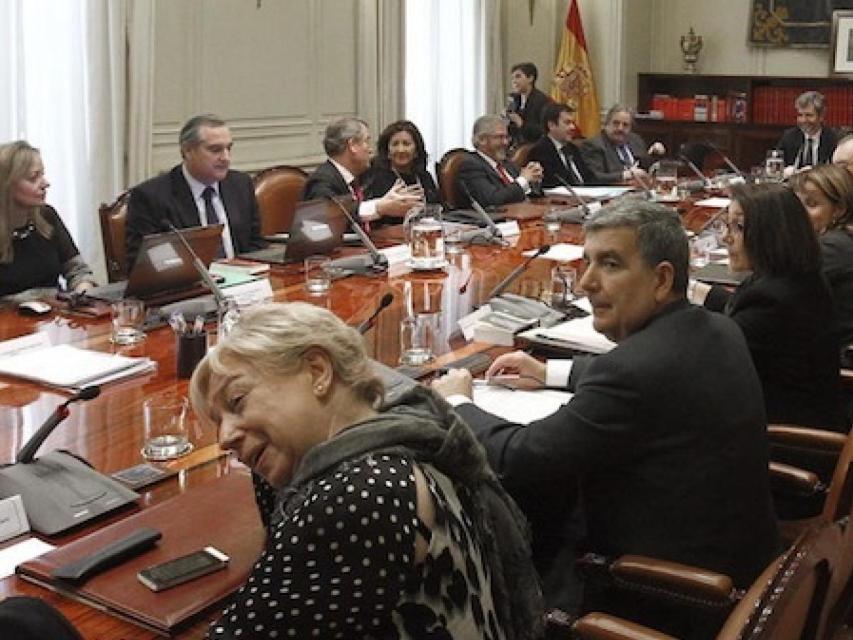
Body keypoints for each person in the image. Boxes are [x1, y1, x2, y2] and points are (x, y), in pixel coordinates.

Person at [433, 199, 780, 637]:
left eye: (610, 264)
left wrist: (459, 405)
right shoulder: (716, 328)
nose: (587, 282)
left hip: (672, 599)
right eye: (588, 262)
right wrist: (550, 371)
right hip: (742, 567)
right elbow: (648, 375)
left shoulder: (635, 370)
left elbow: (522, 460)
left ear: (662, 279)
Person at [189, 302, 544, 640]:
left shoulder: (358, 494)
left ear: (318, 371)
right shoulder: (410, 430)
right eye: (218, 422)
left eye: (237, 402)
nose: (224, 439)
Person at [689, 183, 842, 429]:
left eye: (738, 227)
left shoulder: (772, 300)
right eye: (726, 225)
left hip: (783, 443)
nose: (726, 237)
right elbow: (740, 314)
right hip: (798, 417)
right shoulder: (795, 276)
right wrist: (695, 291)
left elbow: (709, 362)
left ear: (769, 233)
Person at [125, 114, 266, 270]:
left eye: (229, 148)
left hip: (243, 282)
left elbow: (255, 243)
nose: (226, 158)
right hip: (188, 286)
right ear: (187, 151)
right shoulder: (151, 197)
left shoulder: (240, 184)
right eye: (215, 150)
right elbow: (145, 264)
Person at [0, 140, 95, 299]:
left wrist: (82, 292)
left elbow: (78, 271)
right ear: (7, 185)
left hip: (54, 317)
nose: (45, 184)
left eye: (42, 174)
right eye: (33, 177)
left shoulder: (47, 216)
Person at [302, 116, 422, 221]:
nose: (370, 150)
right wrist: (380, 207)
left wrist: (385, 202)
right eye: (367, 141)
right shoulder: (322, 181)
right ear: (353, 145)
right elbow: (333, 219)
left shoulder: (354, 179)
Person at [792, 164, 853, 352]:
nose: (799, 213)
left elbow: (776, 286)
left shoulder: (833, 248)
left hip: (837, 362)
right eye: (796, 204)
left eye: (811, 204)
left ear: (839, 209)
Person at [454, 115, 544, 207]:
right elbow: (492, 199)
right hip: (498, 219)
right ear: (481, 140)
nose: (506, 142)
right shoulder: (471, 165)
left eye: (507, 137)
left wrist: (534, 178)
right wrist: (523, 179)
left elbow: (527, 192)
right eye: (500, 137)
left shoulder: (506, 163)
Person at [363, 120, 440, 212]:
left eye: (406, 144)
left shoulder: (424, 177)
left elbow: (437, 209)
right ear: (387, 152)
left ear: (416, 151)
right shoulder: (376, 178)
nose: (401, 150)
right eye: (395, 144)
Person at [580, 104, 665, 185]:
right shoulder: (594, 145)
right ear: (606, 125)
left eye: (625, 125)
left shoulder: (636, 140)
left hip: (639, 191)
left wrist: (654, 154)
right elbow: (594, 178)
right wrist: (627, 175)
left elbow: (644, 168)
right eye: (616, 123)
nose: (620, 128)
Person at [527, 103, 594, 188]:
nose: (573, 127)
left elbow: (590, 178)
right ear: (551, 125)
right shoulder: (540, 151)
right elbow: (550, 185)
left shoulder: (573, 149)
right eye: (567, 123)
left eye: (573, 123)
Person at [774, 91, 839, 172]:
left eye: (809, 115)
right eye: (800, 115)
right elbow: (774, 162)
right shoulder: (790, 136)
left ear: (821, 116)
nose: (803, 120)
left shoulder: (833, 139)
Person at [507, 62, 551, 145]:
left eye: (518, 77)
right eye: (512, 78)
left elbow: (543, 130)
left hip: (533, 146)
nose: (514, 81)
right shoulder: (514, 99)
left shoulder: (542, 100)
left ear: (530, 78)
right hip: (514, 144)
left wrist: (521, 123)